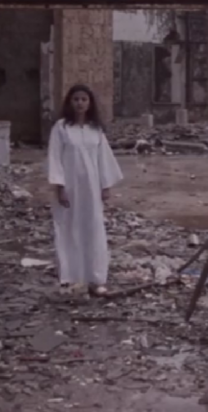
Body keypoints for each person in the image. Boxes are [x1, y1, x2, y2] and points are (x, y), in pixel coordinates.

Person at [47, 84, 124, 297]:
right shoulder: (61, 128)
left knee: (93, 229)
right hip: (69, 189)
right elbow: (54, 158)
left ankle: (96, 278)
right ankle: (72, 277)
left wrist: (105, 186)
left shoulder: (95, 130)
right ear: (69, 103)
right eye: (76, 99)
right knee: (69, 229)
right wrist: (59, 187)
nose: (80, 103)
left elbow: (103, 160)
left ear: (89, 103)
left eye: (84, 99)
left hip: (91, 189)